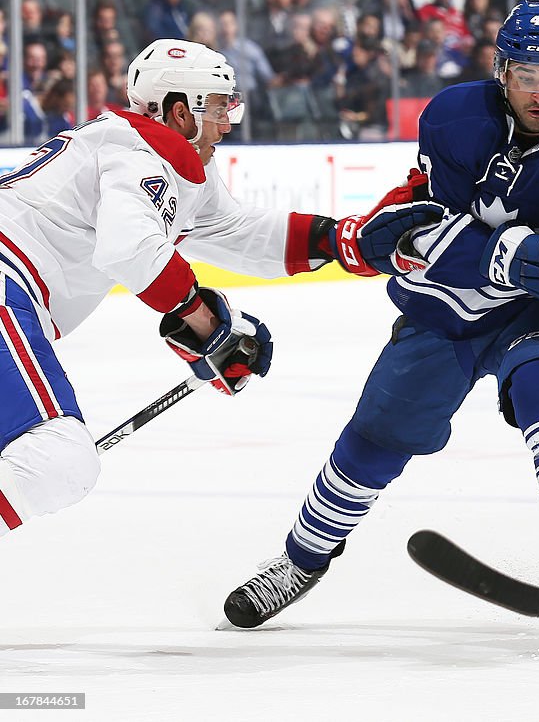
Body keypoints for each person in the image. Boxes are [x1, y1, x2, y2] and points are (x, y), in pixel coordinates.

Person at [223, 1, 539, 656]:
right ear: (501, 70)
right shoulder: (455, 118)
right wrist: (526, 254)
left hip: (535, 314)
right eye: (527, 75)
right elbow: (429, 229)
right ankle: (302, 559)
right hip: (445, 308)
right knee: (374, 439)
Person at [0, 39, 433, 548]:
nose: (227, 123)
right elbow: (131, 249)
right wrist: (203, 322)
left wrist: (340, 239)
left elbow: (238, 230)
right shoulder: (138, 154)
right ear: (180, 111)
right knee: (60, 456)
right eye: (217, 106)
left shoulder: (148, 158)